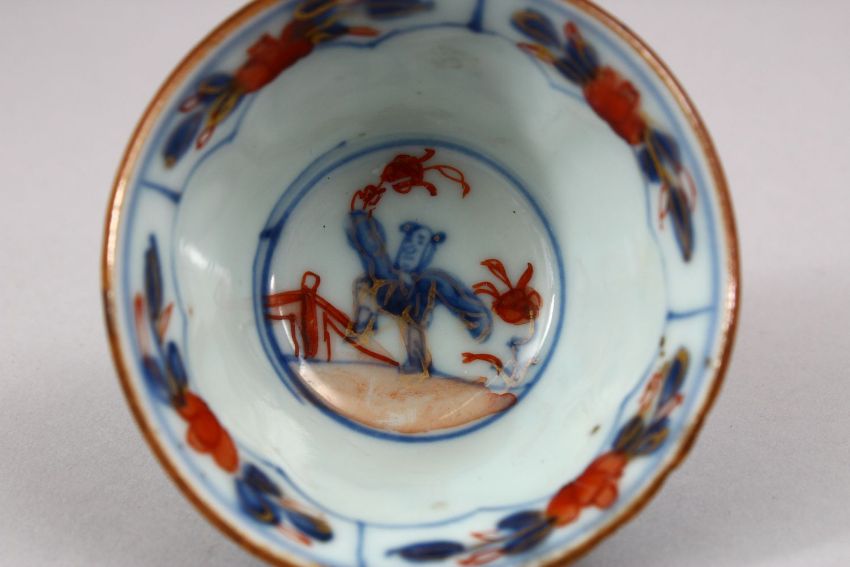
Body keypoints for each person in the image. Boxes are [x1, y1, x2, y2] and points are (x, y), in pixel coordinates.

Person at [347, 210, 492, 374]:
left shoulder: (427, 281)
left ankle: (416, 362)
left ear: (428, 252)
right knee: (365, 282)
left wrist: (477, 321)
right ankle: (363, 326)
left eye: (420, 243)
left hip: (411, 305)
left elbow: (453, 294)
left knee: (414, 316)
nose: (411, 247)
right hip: (384, 294)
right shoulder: (385, 272)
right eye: (408, 241)